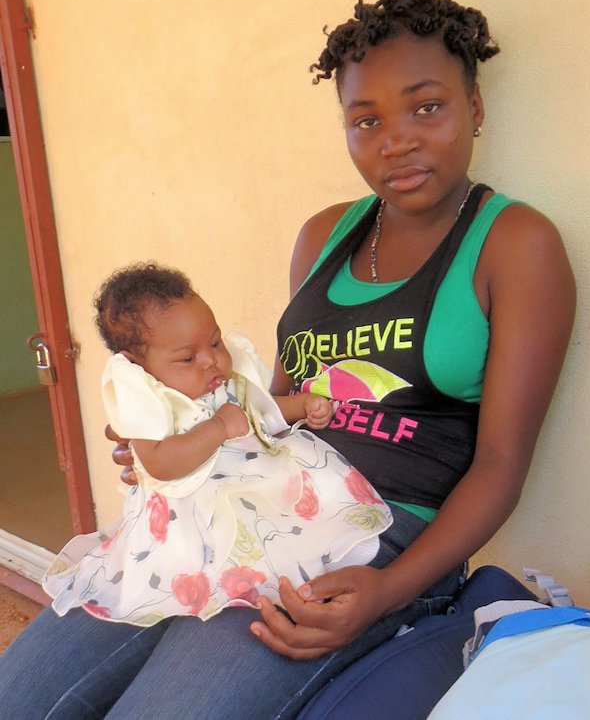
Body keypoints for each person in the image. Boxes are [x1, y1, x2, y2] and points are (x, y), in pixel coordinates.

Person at [0, 0, 576, 719]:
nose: (395, 139)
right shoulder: (324, 236)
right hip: (251, 505)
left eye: (426, 106)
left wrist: (388, 593)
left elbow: (500, 464)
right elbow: (268, 403)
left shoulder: (515, 244)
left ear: (476, 107)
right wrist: (178, 441)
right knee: (25, 690)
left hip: (380, 536)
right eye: (366, 120)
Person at [42, 262, 391, 625]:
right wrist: (219, 427)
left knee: (293, 525)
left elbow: (258, 412)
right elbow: (159, 462)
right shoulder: (149, 399)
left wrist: (301, 405)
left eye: (214, 341)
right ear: (139, 366)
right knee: (211, 565)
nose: (211, 360)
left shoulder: (218, 380)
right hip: (189, 518)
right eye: (188, 357)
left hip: (252, 490)